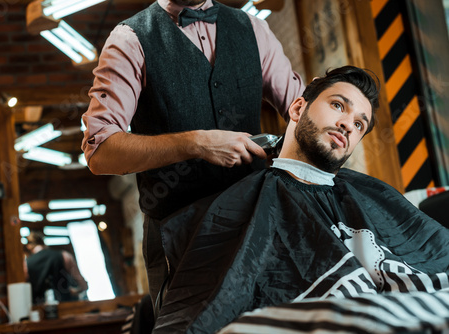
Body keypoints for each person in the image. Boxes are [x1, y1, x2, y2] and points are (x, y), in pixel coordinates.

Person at [150, 66, 449, 333]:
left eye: (359, 124)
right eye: (337, 105)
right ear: (296, 109)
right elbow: (207, 309)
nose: (347, 124)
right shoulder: (246, 203)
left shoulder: (373, 195)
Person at [81, 0, 304, 306]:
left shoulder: (253, 29)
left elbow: (301, 117)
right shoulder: (130, 40)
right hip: (179, 238)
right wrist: (195, 143)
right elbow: (101, 151)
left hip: (256, 226)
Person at [23, 231, 88, 304]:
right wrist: (75, 291)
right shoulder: (65, 256)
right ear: (43, 242)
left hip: (41, 310)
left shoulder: (26, 264)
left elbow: (24, 290)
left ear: (29, 246)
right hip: (66, 306)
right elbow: (83, 284)